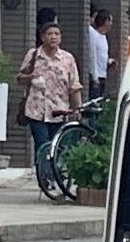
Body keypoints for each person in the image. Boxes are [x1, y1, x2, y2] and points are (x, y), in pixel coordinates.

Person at [19, 14, 84, 194]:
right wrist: (30, 77)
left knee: (58, 147)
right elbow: (20, 78)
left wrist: (78, 109)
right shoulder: (33, 55)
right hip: (36, 110)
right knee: (42, 145)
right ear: (42, 37)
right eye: (49, 34)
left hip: (59, 110)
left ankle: (56, 176)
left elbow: (74, 86)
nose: (53, 37)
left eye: (56, 34)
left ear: (60, 38)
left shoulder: (67, 59)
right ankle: (45, 180)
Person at [85, 4, 114, 98]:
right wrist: (94, 76)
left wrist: (109, 61)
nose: (111, 24)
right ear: (105, 21)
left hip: (103, 74)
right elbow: (92, 55)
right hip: (96, 76)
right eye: (110, 20)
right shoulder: (93, 34)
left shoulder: (104, 37)